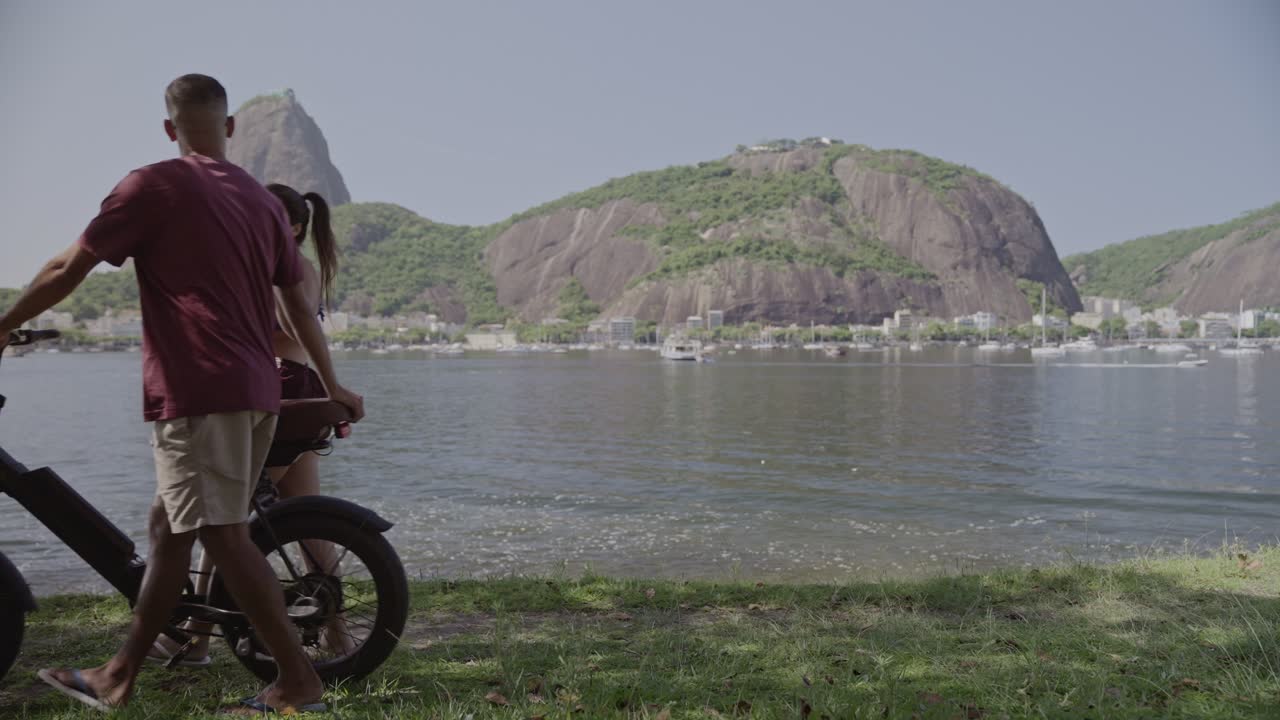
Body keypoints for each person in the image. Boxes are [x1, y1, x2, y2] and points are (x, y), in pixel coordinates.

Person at [0, 74, 364, 715]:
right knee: (170, 529)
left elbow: (66, 268)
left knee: (224, 535)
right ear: (228, 129)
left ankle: (299, 680)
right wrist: (333, 384)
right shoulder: (257, 200)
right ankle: (117, 674)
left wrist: (2, 325)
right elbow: (300, 310)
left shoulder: (153, 185)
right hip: (256, 393)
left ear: (169, 129)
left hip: (201, 389)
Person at [147, 183, 353, 666]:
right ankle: (339, 634)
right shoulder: (302, 266)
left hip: (280, 389)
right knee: (306, 518)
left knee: (224, 516)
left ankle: (195, 637)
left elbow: (285, 325)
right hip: (302, 388)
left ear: (295, 228)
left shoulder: (287, 269)